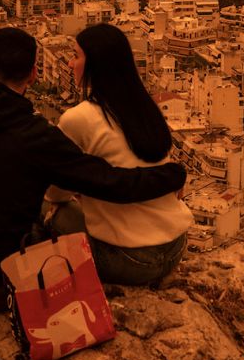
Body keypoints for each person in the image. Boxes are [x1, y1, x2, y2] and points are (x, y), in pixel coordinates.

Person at [0, 26, 188, 317]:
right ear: (33, 75)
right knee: (41, 211)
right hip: (4, 290)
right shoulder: (39, 137)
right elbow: (112, 183)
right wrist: (172, 175)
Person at [45, 23, 193, 286]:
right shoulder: (147, 109)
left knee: (43, 206)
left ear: (96, 65)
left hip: (129, 261)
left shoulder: (78, 118)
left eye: (77, 55)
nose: (70, 63)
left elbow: (56, 192)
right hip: (175, 249)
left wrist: (81, 190)